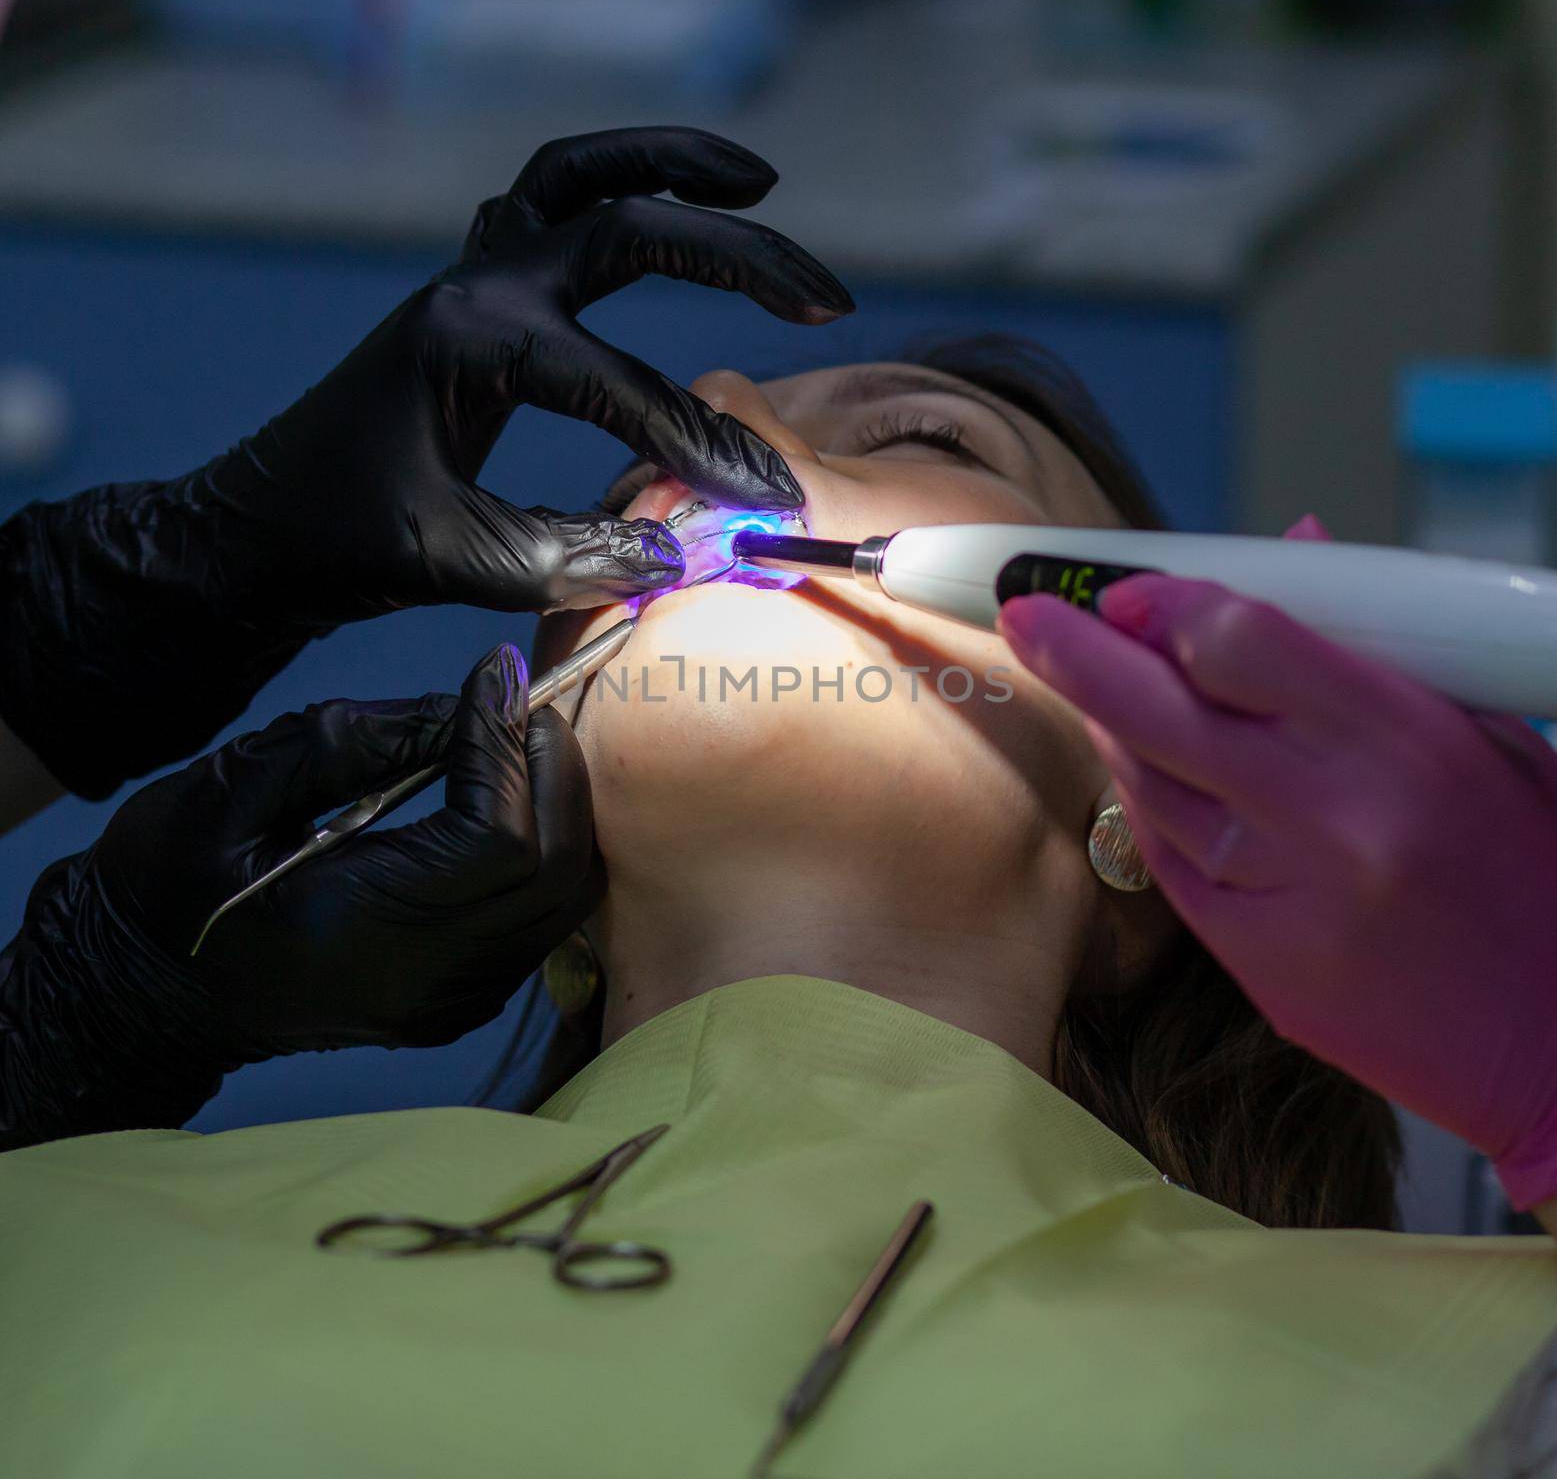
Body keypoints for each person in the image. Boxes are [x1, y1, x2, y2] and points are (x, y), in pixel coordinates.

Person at [2, 337, 1555, 1478]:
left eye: (924, 432)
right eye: (636, 473)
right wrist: (77, 1022)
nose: (719, 419)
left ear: (1144, 811)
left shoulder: (1465, 1362)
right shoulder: (69, 1223)